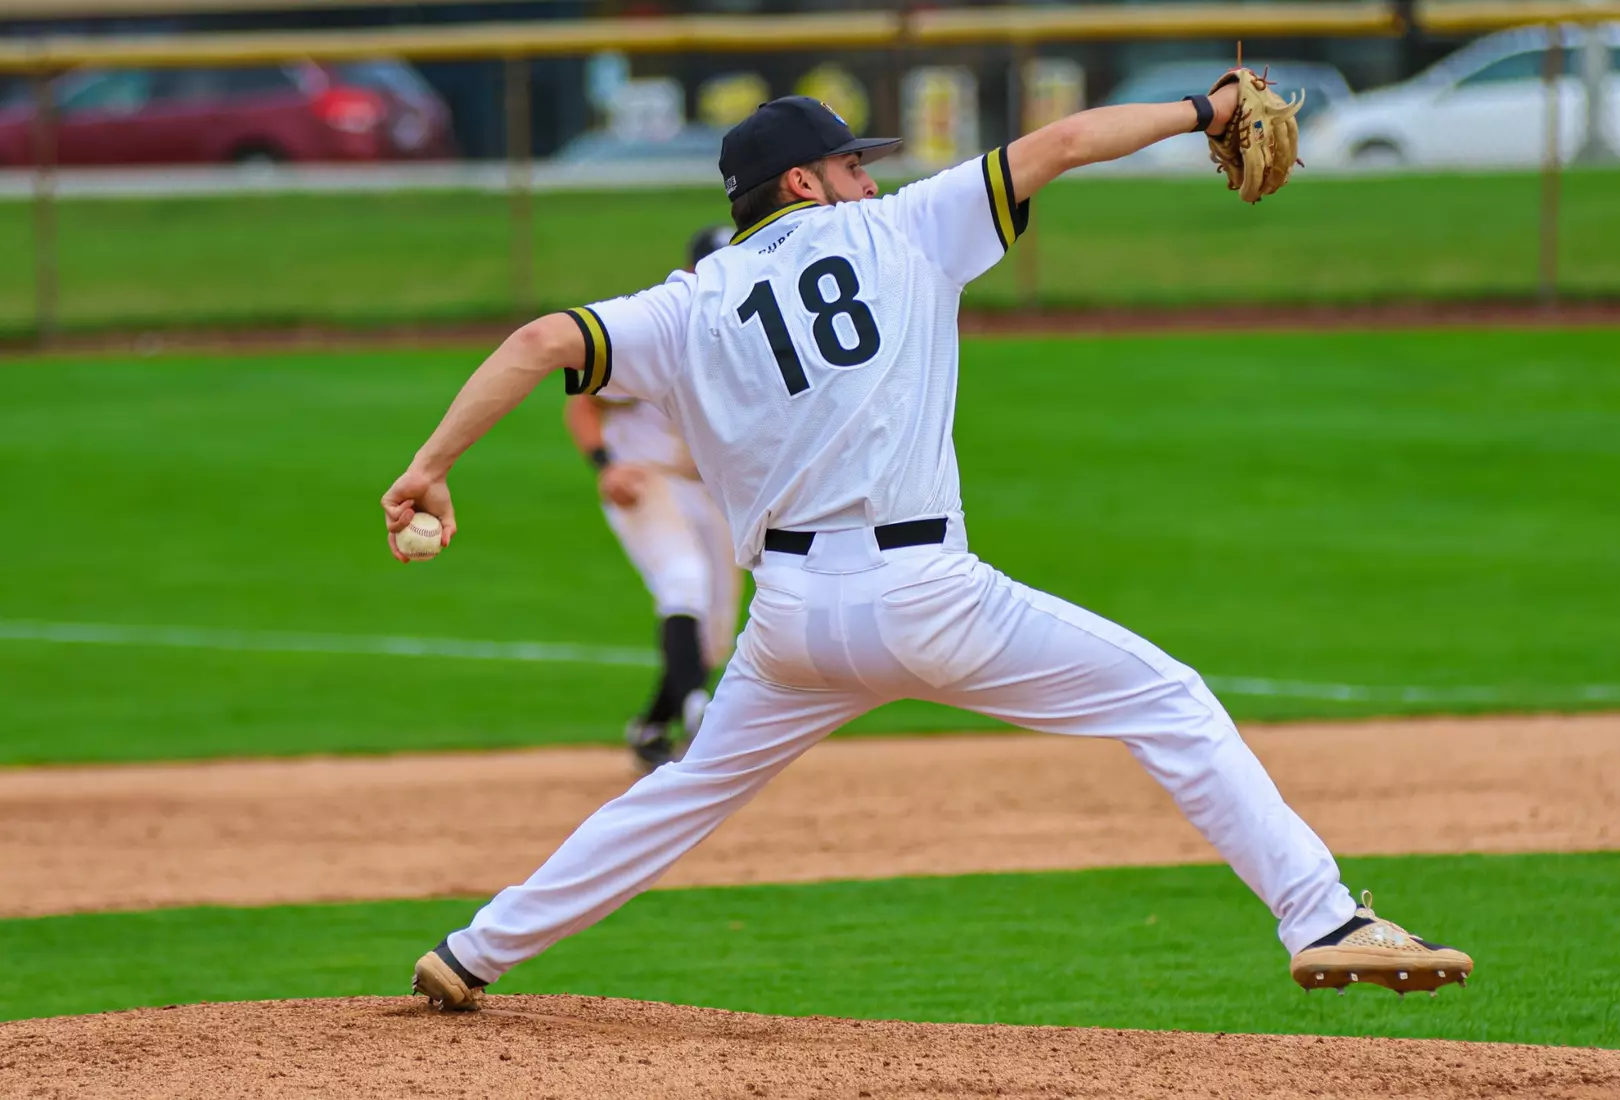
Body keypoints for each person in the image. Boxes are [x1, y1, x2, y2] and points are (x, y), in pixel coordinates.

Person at [384, 90, 1473, 1011]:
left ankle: (477, 949)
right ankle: (1322, 912)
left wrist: (430, 463)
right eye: (849, 165)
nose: (867, 177)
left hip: (794, 625)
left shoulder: (687, 302)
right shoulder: (906, 228)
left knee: (679, 792)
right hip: (928, 596)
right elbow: (1059, 144)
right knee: (1169, 697)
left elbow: (536, 342)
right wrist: (1203, 110)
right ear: (801, 184)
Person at [561, 226, 744, 774]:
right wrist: (605, 464)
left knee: (713, 640)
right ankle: (697, 713)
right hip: (643, 480)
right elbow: (583, 402)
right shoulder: (659, 328)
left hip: (707, 488)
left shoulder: (746, 332)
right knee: (682, 581)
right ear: (693, 272)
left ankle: (651, 727)